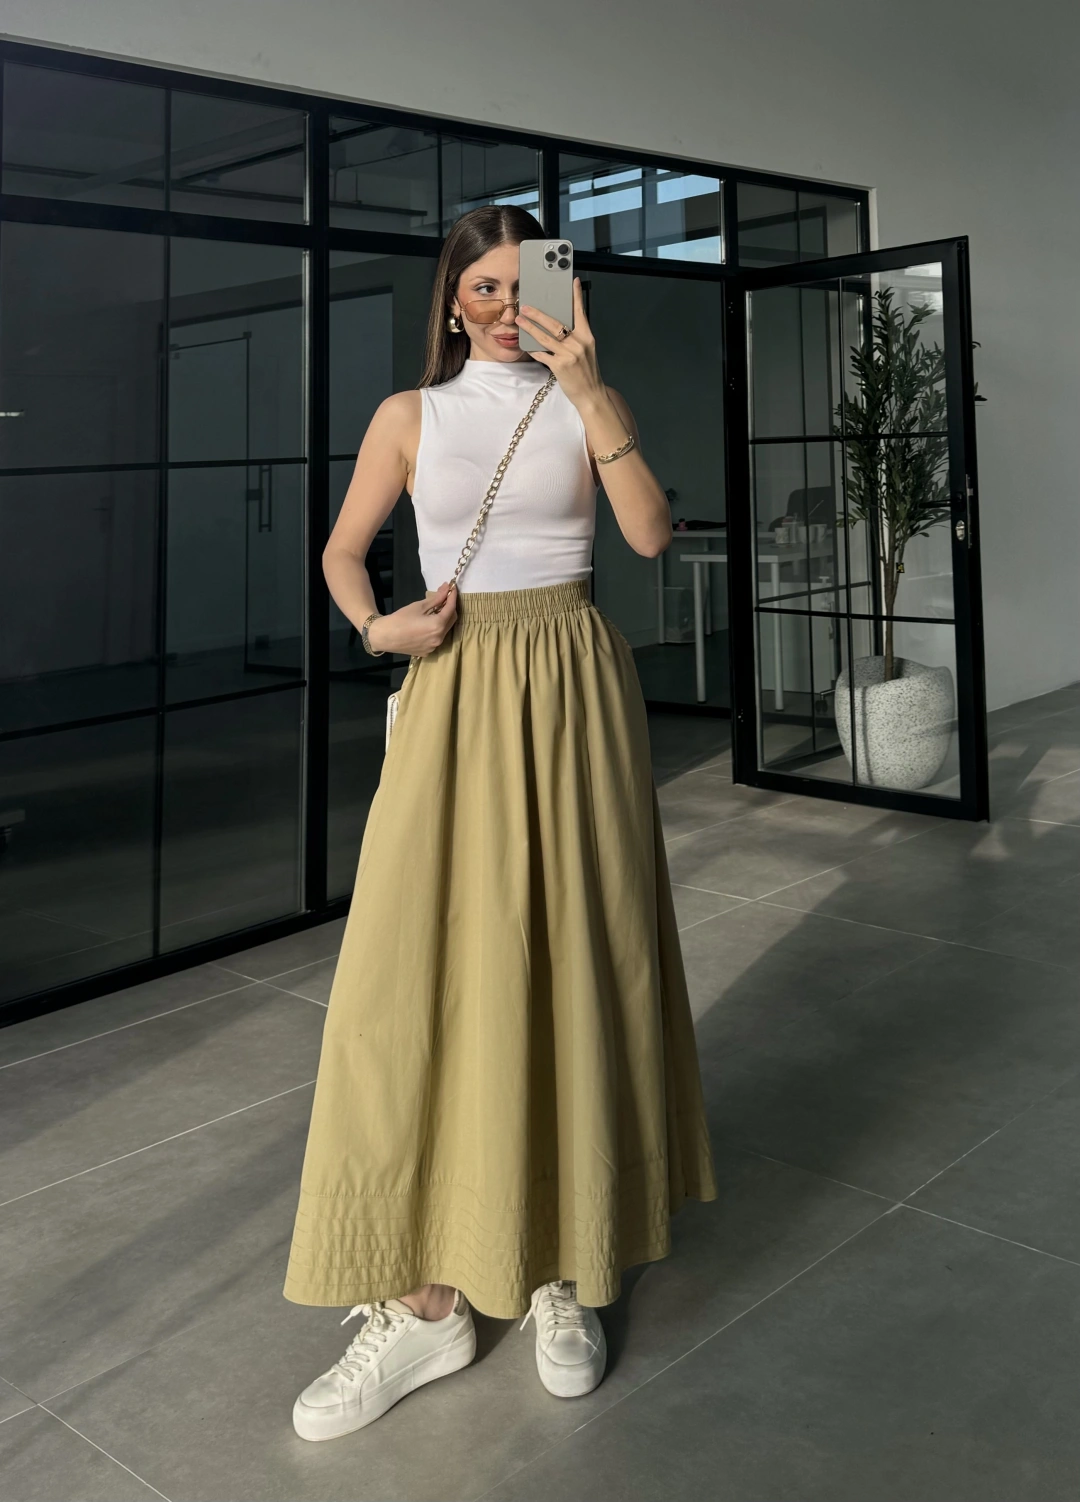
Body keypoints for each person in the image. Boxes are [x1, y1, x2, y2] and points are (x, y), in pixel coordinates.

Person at [285, 204, 718, 1442]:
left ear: (558, 292)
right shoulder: (410, 414)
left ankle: (561, 1263)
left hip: (573, 685)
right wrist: (377, 627)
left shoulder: (586, 404)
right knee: (413, 976)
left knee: (575, 958)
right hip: (455, 687)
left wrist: (592, 390)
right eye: (480, 285)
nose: (501, 305)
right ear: (451, 299)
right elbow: (343, 552)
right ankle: (425, 1297)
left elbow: (647, 533)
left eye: (522, 282)